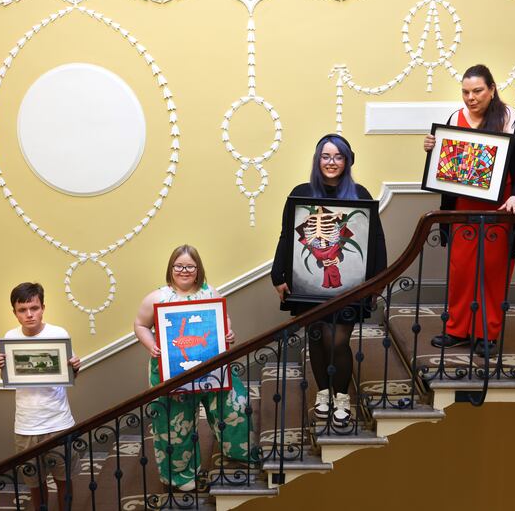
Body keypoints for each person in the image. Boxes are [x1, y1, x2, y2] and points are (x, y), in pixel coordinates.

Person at [270, 134, 387, 428]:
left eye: (338, 157)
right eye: (326, 156)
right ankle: (323, 394)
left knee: (337, 341)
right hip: (308, 286)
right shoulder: (301, 193)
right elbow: (287, 235)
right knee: (317, 338)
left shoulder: (359, 195)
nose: (331, 162)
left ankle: (342, 398)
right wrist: (278, 275)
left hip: (350, 288)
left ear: (347, 161)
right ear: (317, 160)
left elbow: (376, 239)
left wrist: (377, 282)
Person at [425, 64, 515, 357]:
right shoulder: (454, 118)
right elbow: (448, 163)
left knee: (493, 272)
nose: (470, 97)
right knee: (461, 270)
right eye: (465, 92)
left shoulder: (511, 118)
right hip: (462, 207)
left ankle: (485, 333)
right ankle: (457, 330)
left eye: (477, 91)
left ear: (492, 89)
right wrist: (433, 149)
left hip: (501, 208)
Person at [133, 244, 251, 492]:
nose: (184, 271)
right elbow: (140, 325)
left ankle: (240, 453)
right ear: (171, 268)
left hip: (213, 366)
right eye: (179, 266)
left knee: (234, 407)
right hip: (170, 370)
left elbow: (223, 319)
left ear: (198, 269)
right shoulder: (156, 298)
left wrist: (228, 332)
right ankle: (180, 476)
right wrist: (151, 345)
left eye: (189, 266)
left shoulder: (210, 292)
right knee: (174, 425)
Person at [0, 282, 81, 511]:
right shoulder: (9, 338)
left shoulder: (58, 334)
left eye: (34, 308)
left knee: (64, 479)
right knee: (34, 483)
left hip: (58, 422)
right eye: (22, 310)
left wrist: (75, 366)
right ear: (14, 312)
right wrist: (2, 366)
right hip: (26, 424)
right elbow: (11, 378)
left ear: (43, 307)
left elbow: (70, 375)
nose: (29, 314)